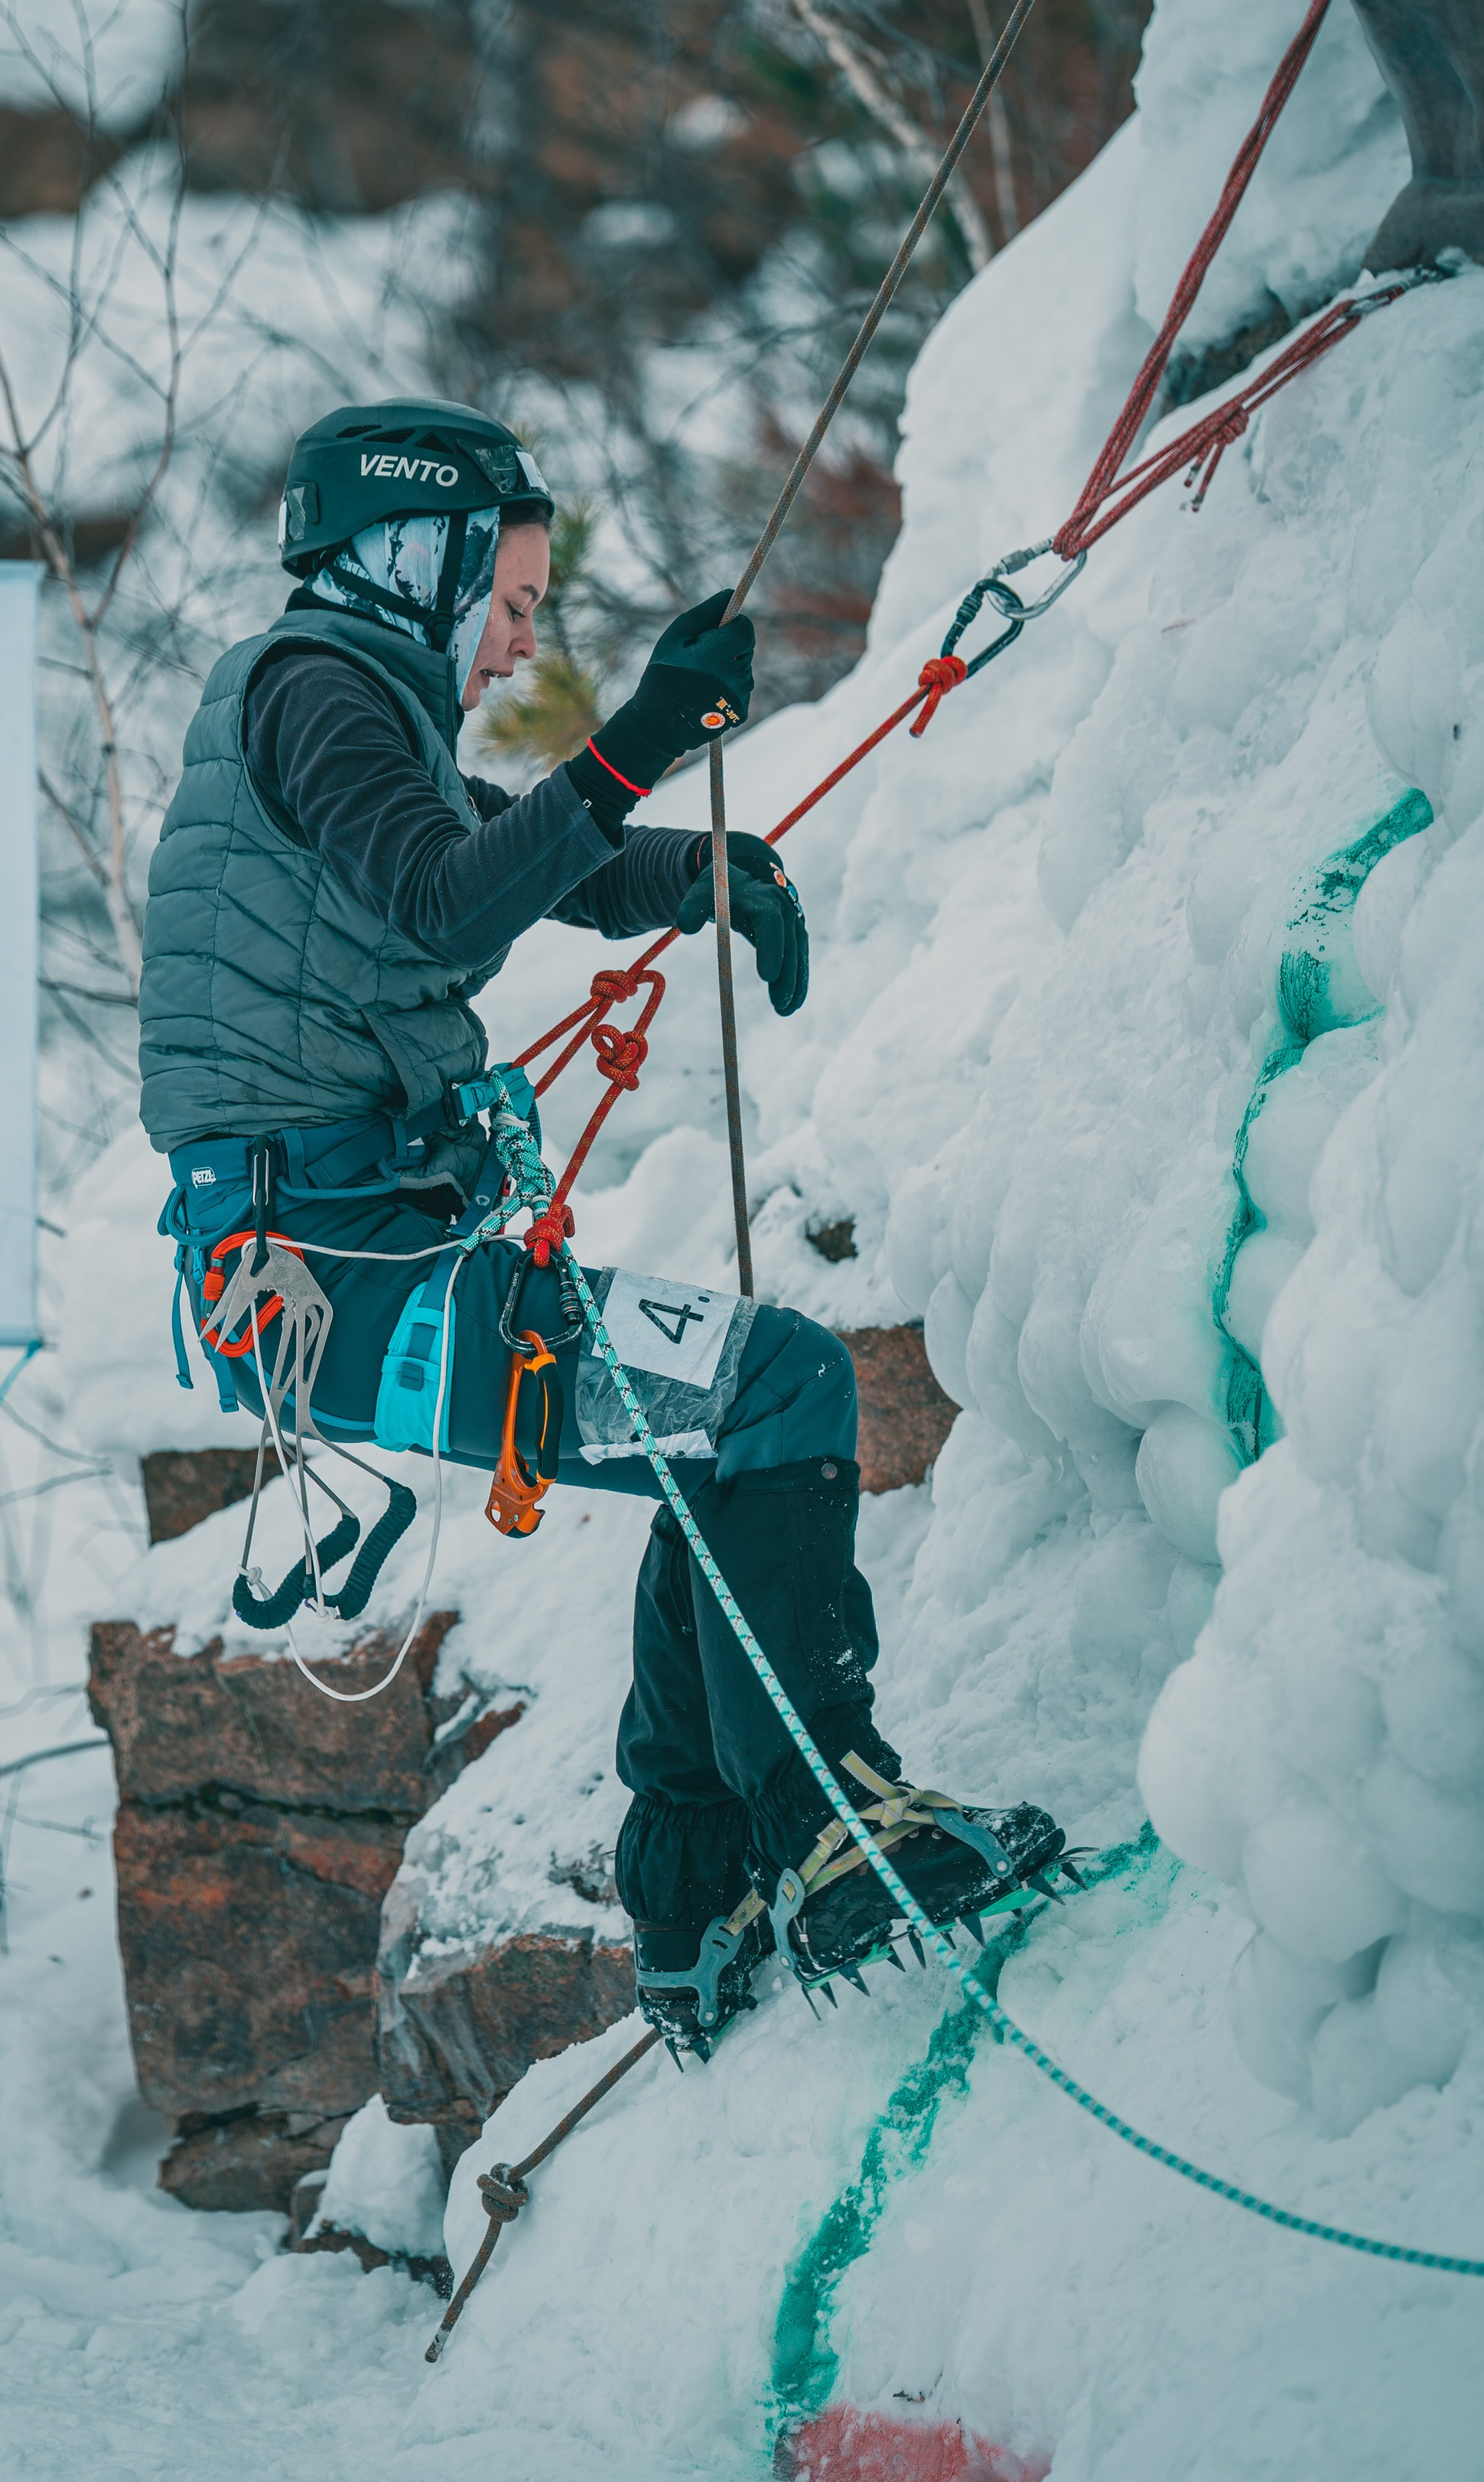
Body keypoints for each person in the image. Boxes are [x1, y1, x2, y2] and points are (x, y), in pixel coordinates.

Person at [138, 399, 1065, 2051]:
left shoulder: (323, 705)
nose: (512, 645)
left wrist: (692, 868)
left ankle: (696, 1889)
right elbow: (444, 898)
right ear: (410, 563)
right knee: (776, 1391)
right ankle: (831, 1833)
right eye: (505, 603)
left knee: (724, 1429)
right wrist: (635, 738)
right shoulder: (312, 693)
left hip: (339, 1273)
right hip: (346, 1284)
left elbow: (497, 856)